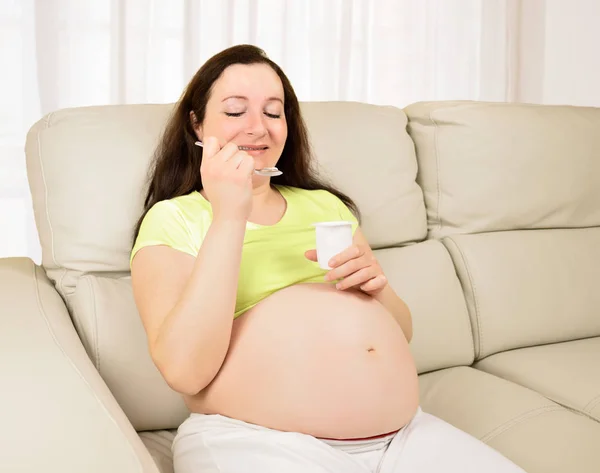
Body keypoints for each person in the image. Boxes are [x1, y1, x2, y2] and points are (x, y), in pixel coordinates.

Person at [130, 44, 525, 473]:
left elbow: (401, 329)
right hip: (258, 438)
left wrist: (376, 286)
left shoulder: (325, 206)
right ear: (197, 123)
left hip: (405, 434)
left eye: (273, 112)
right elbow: (184, 372)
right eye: (235, 111)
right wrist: (229, 214)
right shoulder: (173, 218)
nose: (257, 128)